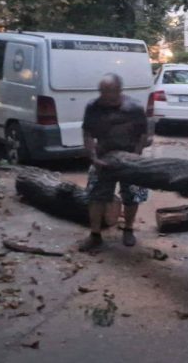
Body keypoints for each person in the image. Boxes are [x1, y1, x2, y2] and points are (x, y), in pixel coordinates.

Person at [79, 73, 149, 252]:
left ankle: (128, 229)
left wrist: (135, 156)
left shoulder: (134, 108)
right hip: (103, 157)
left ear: (119, 90)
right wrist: (93, 157)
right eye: (102, 91)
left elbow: (143, 135)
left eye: (108, 91)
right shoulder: (93, 107)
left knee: (133, 195)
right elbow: (87, 134)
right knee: (95, 196)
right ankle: (95, 235)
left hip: (130, 157)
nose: (104, 95)